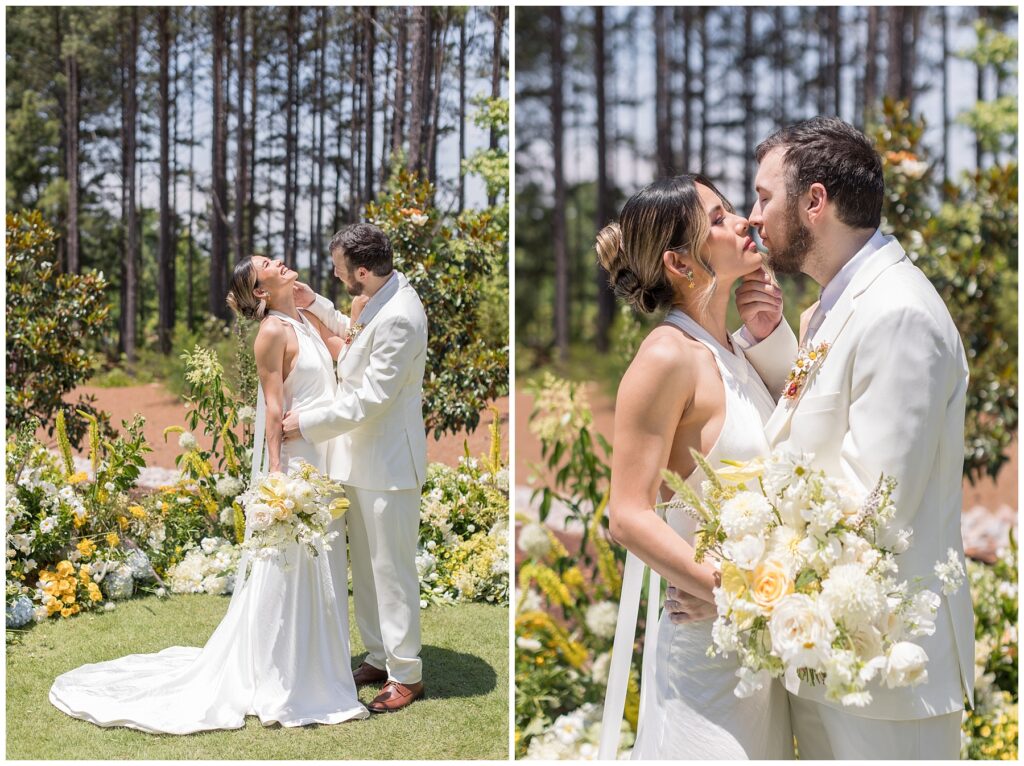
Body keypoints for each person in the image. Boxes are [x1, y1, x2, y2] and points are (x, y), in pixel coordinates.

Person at [667, 117, 975, 760]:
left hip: (888, 678)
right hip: (832, 663)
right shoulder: (835, 304)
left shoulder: (898, 314)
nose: (752, 218)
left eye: (763, 196)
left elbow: (869, 507)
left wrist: (736, 590)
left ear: (815, 202)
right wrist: (771, 337)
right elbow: (818, 427)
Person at [49, 255, 370, 733]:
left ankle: (320, 665)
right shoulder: (271, 334)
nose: (281, 262)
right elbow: (273, 409)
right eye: (269, 264)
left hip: (326, 461)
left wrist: (326, 308)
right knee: (290, 565)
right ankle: (281, 674)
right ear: (260, 291)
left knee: (321, 561)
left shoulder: (303, 316)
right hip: (300, 464)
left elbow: (347, 349)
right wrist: (277, 480)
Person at [594, 174, 795, 759]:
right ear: (680, 263)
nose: (743, 222)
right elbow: (627, 515)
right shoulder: (666, 356)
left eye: (733, 209)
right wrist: (727, 587)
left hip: (758, 641)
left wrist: (767, 333)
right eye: (717, 218)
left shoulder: (734, 353)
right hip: (706, 651)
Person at [281, 223, 428, 713]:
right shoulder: (382, 297)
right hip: (358, 460)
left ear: (363, 270)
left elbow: (372, 399)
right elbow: (354, 333)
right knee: (365, 569)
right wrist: (316, 302)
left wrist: (307, 421)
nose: (339, 276)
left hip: (388, 464)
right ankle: (379, 655)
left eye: (343, 270)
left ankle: (406, 674)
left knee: (392, 571)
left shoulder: (402, 316)